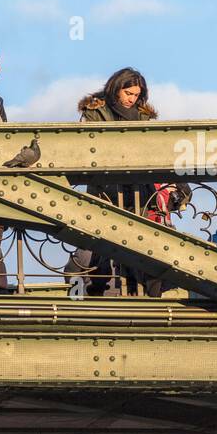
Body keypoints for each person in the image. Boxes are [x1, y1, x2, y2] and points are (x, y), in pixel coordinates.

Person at [71, 68, 164, 296]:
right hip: (105, 190)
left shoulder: (144, 115)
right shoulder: (95, 111)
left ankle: (141, 289)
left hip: (139, 191)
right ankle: (97, 287)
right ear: (116, 88)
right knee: (100, 240)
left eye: (136, 95)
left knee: (139, 239)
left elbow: (154, 150)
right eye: (128, 93)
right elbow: (89, 149)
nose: (131, 99)